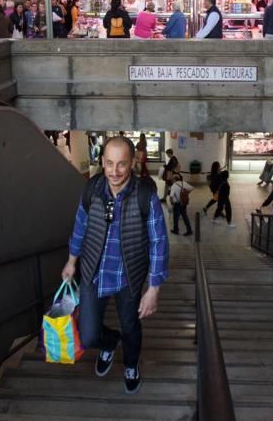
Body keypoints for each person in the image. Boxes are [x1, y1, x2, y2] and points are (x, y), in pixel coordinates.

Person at [61, 136, 168, 395]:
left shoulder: (145, 195)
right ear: (102, 162)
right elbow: (80, 226)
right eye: (109, 163)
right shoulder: (92, 189)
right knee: (88, 335)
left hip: (127, 275)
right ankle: (110, 343)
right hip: (92, 271)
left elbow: (158, 241)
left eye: (121, 164)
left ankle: (131, 365)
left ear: (133, 162)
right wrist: (72, 260)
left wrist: (153, 288)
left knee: (130, 325)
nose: (114, 171)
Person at [168, 172, 194, 236]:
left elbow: (171, 196)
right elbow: (191, 188)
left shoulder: (173, 186)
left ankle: (176, 230)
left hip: (177, 204)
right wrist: (186, 193)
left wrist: (172, 204)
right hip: (184, 203)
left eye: (172, 179)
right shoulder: (183, 183)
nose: (171, 180)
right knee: (185, 216)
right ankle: (189, 230)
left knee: (175, 218)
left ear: (174, 179)